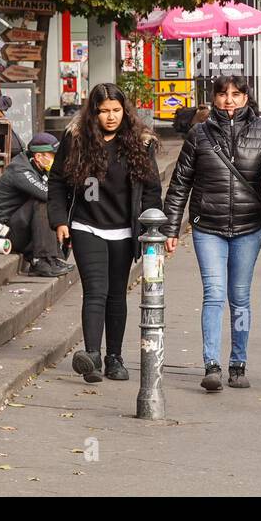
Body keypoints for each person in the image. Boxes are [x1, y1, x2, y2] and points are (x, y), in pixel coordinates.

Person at [163, 76, 261, 392]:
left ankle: (238, 364)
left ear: (247, 97)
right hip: (207, 226)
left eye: (237, 94)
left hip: (248, 227)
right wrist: (172, 228)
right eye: (223, 94)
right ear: (212, 97)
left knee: (240, 298)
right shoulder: (199, 134)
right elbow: (180, 183)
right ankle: (211, 364)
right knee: (213, 294)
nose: (229, 100)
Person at [48, 83, 163, 385]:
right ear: (94, 113)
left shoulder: (141, 142)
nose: (111, 117)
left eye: (116, 110)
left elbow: (151, 190)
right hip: (87, 227)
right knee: (95, 291)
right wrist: (60, 221)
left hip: (124, 232)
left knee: (116, 294)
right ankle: (92, 356)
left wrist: (153, 231)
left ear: (125, 111)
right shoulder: (76, 140)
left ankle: (115, 357)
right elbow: (57, 181)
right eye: (104, 111)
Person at [0, 133, 70, 278]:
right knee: (43, 202)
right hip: (4, 233)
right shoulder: (19, 170)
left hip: (20, 227)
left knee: (51, 204)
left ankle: (53, 258)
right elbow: (49, 195)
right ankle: (42, 261)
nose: (57, 160)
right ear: (38, 156)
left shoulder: (38, 167)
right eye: (53, 156)